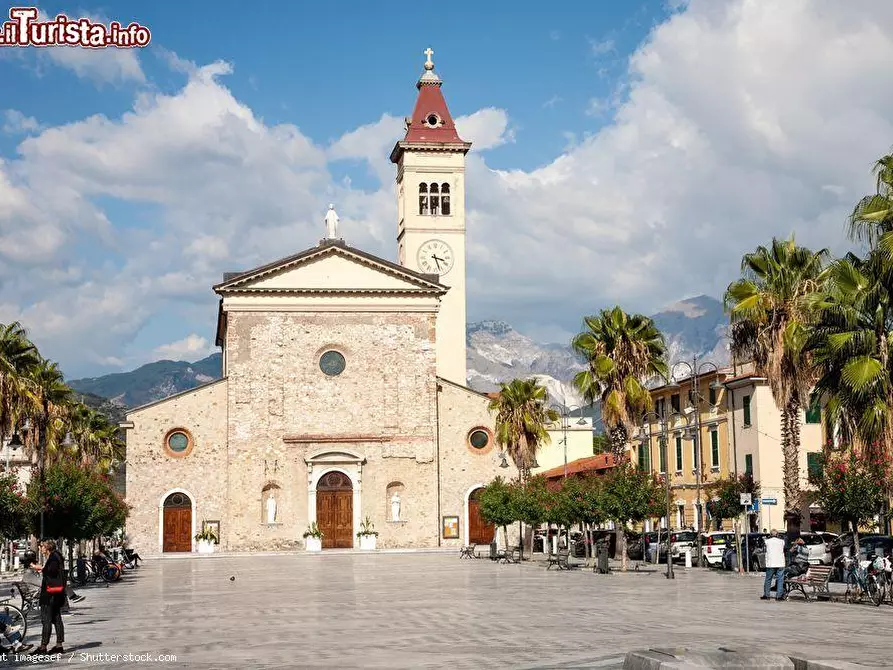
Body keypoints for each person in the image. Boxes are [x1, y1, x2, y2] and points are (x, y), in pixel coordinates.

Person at [33, 540, 65, 655]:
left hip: (49, 593)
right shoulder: (57, 556)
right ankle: (59, 645)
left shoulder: (53, 558)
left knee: (46, 619)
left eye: (41, 546)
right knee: (56, 618)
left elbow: (51, 571)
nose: (40, 548)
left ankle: (43, 647)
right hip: (56, 593)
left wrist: (41, 568)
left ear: (46, 547)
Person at [761, 529, 786, 601]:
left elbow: (764, 549)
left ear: (770, 535)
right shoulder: (782, 541)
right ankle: (779, 596)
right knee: (780, 580)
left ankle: (766, 595)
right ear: (777, 534)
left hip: (771, 563)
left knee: (768, 579)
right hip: (780, 563)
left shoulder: (767, 541)